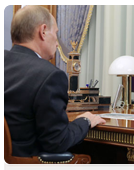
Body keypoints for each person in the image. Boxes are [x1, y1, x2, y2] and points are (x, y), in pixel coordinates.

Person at [4, 5, 106, 159]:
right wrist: (85, 121)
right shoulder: (49, 76)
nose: (58, 43)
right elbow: (57, 142)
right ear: (43, 31)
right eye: (56, 34)